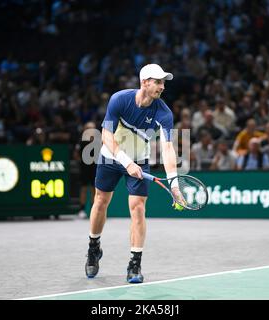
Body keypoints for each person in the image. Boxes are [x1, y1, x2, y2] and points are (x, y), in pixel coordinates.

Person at [86, 64, 184, 283]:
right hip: (111, 157)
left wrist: (174, 184)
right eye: (158, 82)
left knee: (138, 208)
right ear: (144, 82)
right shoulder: (119, 100)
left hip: (140, 161)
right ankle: (94, 247)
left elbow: (168, 148)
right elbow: (106, 135)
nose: (162, 87)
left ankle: (135, 263)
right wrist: (126, 162)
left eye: (163, 83)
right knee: (100, 201)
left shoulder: (164, 113)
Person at [74, 122, 99, 219]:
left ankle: (94, 210)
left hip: (95, 168)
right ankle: (82, 210)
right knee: (84, 188)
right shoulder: (81, 141)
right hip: (84, 168)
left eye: (93, 128)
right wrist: (81, 161)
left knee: (94, 189)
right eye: (89, 128)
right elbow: (76, 154)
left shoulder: (99, 141)